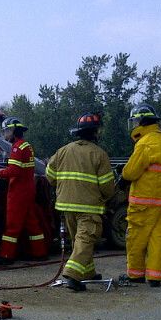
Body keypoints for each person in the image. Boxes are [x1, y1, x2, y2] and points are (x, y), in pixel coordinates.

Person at [45, 112, 116, 291]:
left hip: (66, 205)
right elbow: (107, 186)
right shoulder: (99, 154)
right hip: (89, 206)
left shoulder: (62, 151)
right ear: (95, 133)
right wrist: (106, 199)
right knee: (87, 238)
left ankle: (87, 272)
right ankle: (72, 274)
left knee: (80, 240)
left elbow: (49, 175)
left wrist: (64, 188)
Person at [121, 103, 161, 287]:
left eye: (135, 122)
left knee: (136, 239)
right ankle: (155, 276)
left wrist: (121, 174)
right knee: (157, 239)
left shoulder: (146, 143)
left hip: (144, 202)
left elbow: (130, 172)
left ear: (142, 121)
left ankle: (135, 274)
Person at [0, 117, 47, 263]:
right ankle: (40, 252)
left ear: (12, 130)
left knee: (12, 225)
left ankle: (6, 255)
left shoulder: (17, 148)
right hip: (28, 190)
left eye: (6, 131)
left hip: (18, 193)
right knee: (32, 224)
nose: (5, 135)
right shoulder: (26, 146)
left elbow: (14, 171)